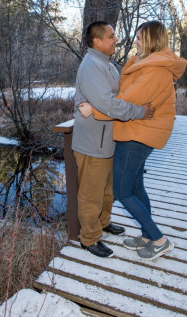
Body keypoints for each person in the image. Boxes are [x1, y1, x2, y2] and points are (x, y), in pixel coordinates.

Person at [80, 20, 187, 260]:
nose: (134, 41)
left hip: (137, 134)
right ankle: (148, 236)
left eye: (139, 37)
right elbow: (125, 97)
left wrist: (93, 111)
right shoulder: (148, 63)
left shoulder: (154, 69)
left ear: (150, 40)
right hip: (137, 130)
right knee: (136, 187)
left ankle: (159, 239)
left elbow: (126, 101)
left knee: (121, 191)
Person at [72, 21, 155, 258]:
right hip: (92, 143)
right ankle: (88, 238)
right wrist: (139, 111)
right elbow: (108, 103)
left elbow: (119, 95)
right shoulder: (91, 66)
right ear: (97, 41)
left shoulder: (107, 64)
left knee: (108, 190)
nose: (116, 39)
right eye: (111, 36)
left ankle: (103, 223)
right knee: (91, 194)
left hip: (109, 141)